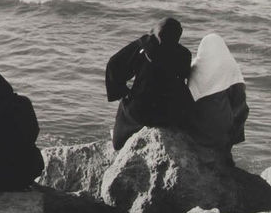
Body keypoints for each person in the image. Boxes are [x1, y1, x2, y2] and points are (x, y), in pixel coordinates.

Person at [105, 17, 194, 150]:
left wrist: (122, 92)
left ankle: (120, 140)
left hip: (141, 110)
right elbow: (184, 76)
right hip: (168, 113)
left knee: (126, 110)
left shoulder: (143, 46)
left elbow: (114, 64)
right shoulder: (184, 54)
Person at [185, 33, 249, 164]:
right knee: (241, 109)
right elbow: (239, 103)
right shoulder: (230, 67)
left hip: (196, 129)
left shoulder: (194, 67)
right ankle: (226, 149)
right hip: (220, 133)